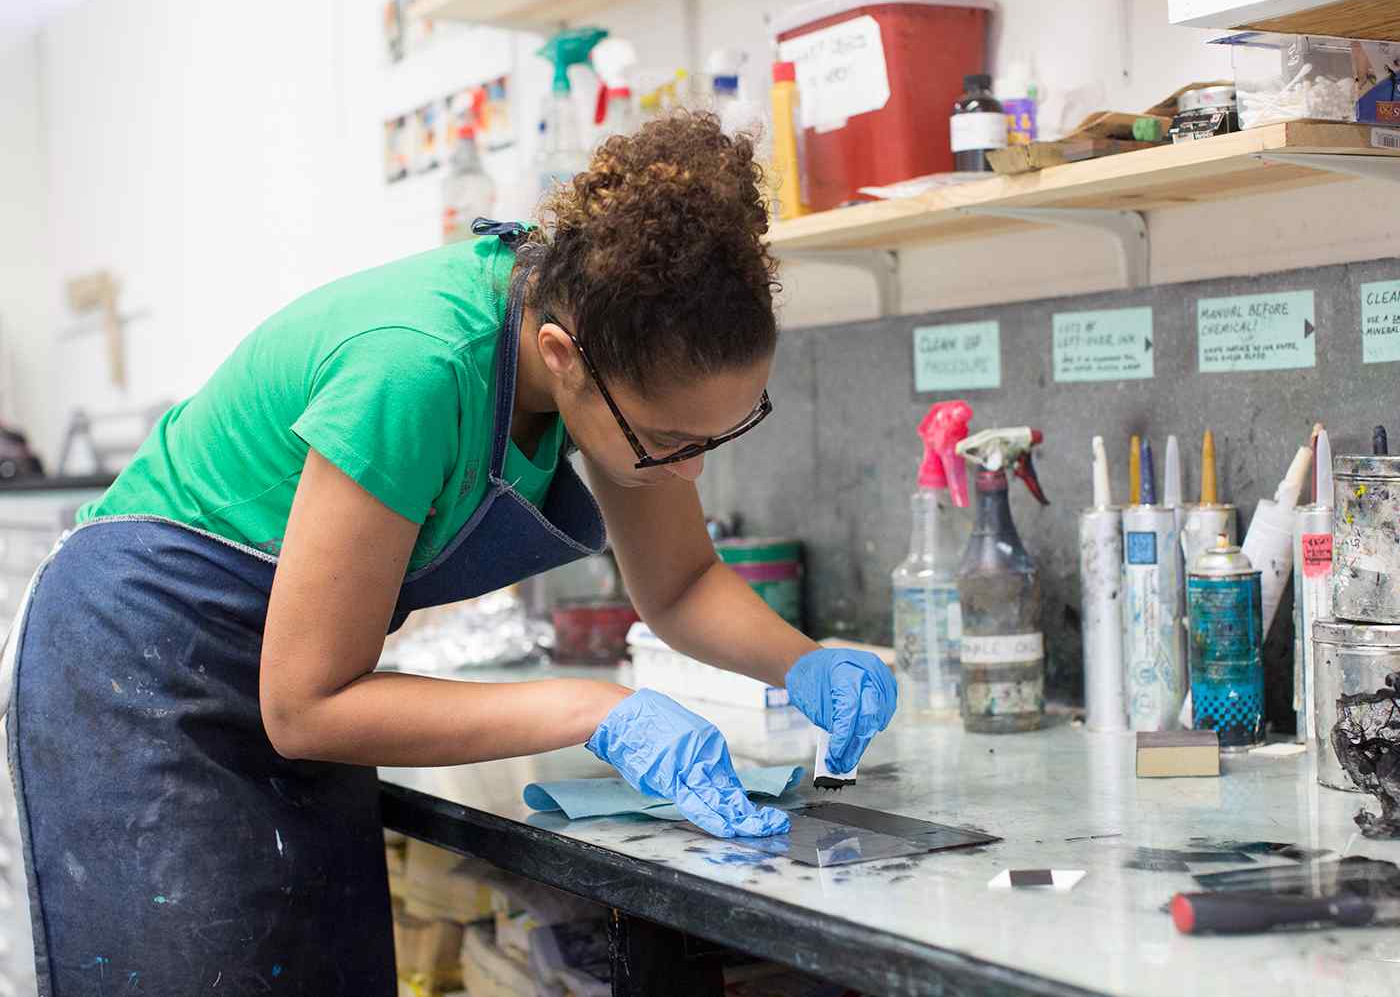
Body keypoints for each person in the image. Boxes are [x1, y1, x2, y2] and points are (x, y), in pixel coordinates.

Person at [3, 113, 895, 993]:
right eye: (668, 437)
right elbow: (308, 705)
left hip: (303, 668)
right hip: (143, 661)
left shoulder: (605, 339)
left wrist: (808, 663)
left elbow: (682, 581)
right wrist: (598, 711)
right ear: (562, 355)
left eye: (718, 434)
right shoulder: (418, 369)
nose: (687, 468)